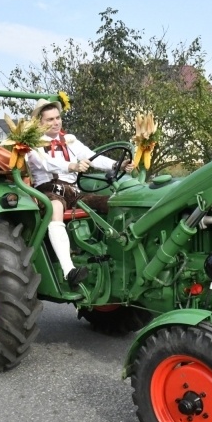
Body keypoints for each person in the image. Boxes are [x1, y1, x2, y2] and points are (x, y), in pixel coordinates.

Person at [26, 99, 133, 288]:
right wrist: (72, 166)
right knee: (56, 207)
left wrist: (117, 165)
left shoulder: (69, 140)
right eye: (49, 119)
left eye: (58, 118)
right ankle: (69, 271)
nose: (56, 122)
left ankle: (120, 256)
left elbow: (91, 156)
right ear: (39, 123)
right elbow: (45, 163)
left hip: (73, 191)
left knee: (113, 202)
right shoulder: (32, 145)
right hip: (48, 190)